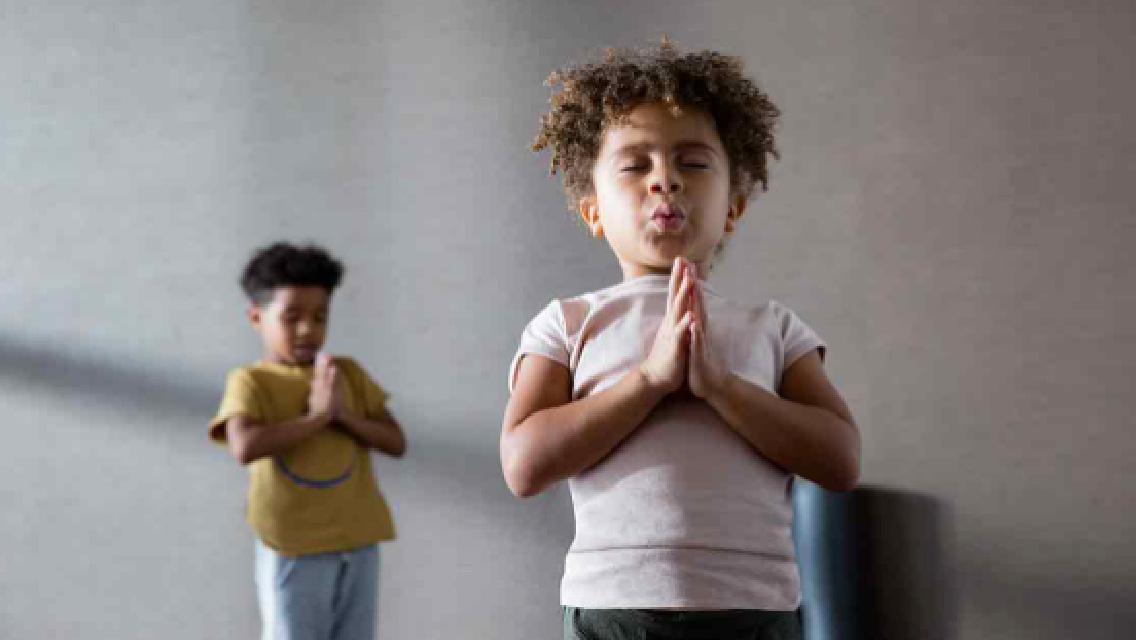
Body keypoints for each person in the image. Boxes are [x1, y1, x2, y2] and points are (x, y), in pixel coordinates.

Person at [501, 40, 860, 640]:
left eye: (692, 163)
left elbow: (841, 459)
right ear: (592, 212)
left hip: (754, 612)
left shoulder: (774, 327)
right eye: (634, 165)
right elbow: (523, 465)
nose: (664, 180)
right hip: (615, 611)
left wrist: (721, 388)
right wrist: (650, 381)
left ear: (732, 211)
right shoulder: (566, 323)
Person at [209, 241, 406, 640]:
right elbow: (243, 447)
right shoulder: (250, 381)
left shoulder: (345, 374)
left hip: (358, 539)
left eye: (319, 317)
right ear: (255, 317)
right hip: (292, 545)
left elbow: (394, 441)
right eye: (291, 317)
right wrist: (317, 418)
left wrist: (341, 415)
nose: (307, 329)